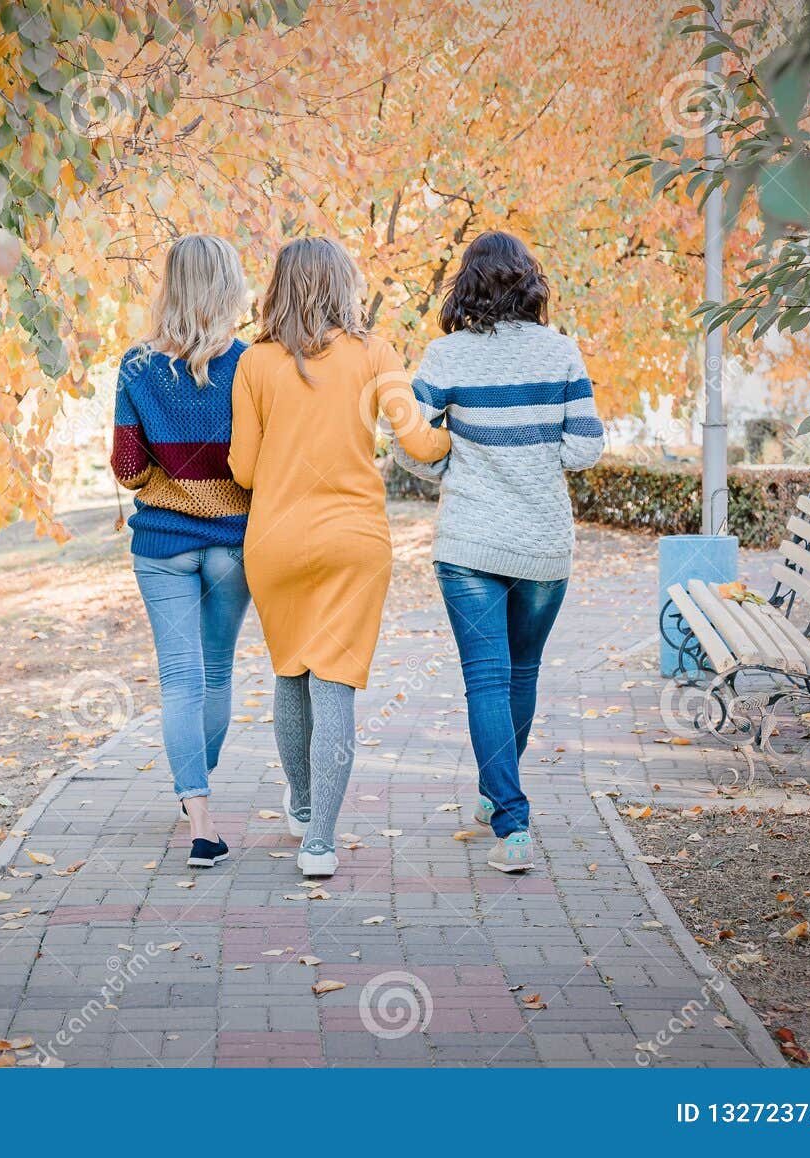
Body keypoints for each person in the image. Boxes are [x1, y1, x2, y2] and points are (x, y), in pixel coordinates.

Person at [229, 237, 451, 878]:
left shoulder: (255, 363)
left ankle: (300, 803)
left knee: (290, 674)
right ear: (341, 285)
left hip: (274, 543)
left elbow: (242, 469)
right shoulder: (375, 353)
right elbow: (420, 443)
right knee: (336, 687)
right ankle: (319, 844)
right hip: (354, 542)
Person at [394, 230, 604, 873]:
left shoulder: (443, 357)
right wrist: (539, 460)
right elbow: (586, 447)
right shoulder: (561, 352)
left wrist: (454, 465)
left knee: (486, 679)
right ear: (528, 284)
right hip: (542, 542)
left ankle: (508, 819)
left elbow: (409, 446)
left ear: (469, 284)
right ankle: (503, 800)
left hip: (469, 540)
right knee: (521, 673)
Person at [111, 235, 253, 869]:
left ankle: (199, 815)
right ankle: (198, 785)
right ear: (227, 287)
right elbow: (256, 464)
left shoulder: (136, 367)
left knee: (180, 682)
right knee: (216, 676)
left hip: (161, 543)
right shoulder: (249, 365)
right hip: (232, 543)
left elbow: (126, 467)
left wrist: (162, 482)